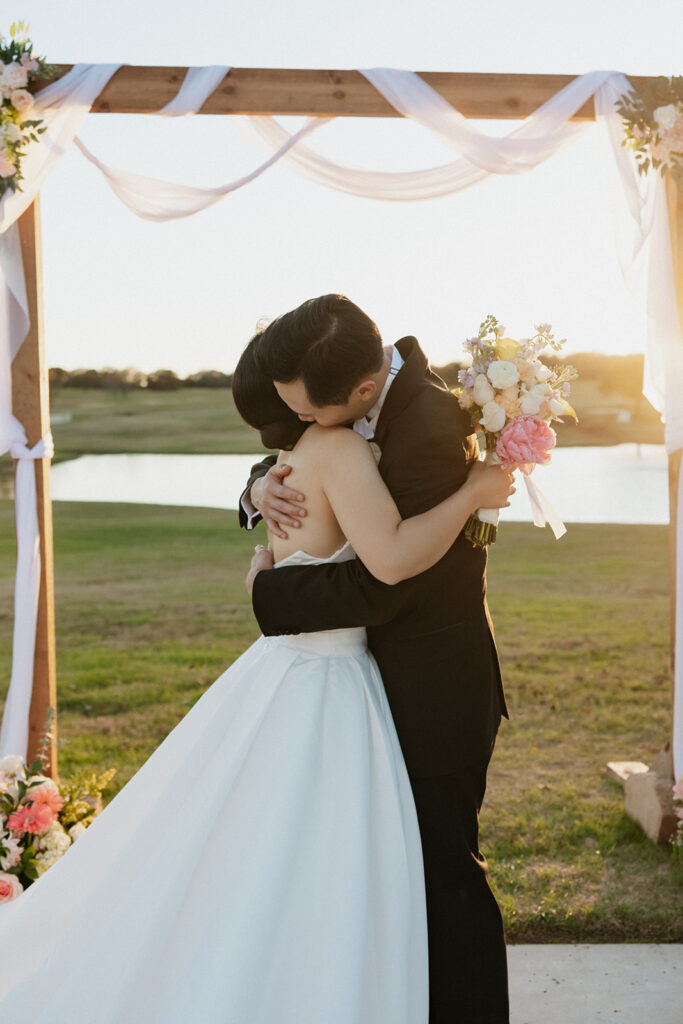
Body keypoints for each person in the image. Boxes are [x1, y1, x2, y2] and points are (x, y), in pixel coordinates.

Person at [0, 334, 513, 1023]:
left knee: (374, 861)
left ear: (347, 393)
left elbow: (382, 580)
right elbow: (388, 560)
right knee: (343, 859)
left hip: (416, 676)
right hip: (339, 677)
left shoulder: (381, 429)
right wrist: (476, 490)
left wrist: (266, 576)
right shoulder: (329, 442)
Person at [241, 294, 512, 1024]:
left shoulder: (425, 425)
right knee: (376, 875)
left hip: (432, 690)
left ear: (361, 392)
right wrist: (260, 484)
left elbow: (384, 580)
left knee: (444, 878)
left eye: (306, 413)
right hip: (359, 689)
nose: (297, 425)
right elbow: (299, 456)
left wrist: (272, 595)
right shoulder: (336, 389)